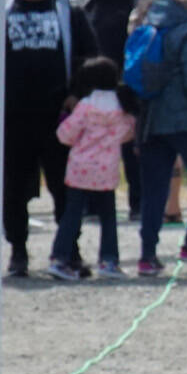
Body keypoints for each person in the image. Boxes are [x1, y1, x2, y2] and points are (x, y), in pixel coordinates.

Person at [4, 0, 98, 276]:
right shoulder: (1, 8)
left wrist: (77, 93)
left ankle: (67, 250)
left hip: (58, 115)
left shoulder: (68, 12)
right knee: (13, 187)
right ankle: (18, 251)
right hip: (13, 116)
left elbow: (90, 56)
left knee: (64, 185)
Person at [133, 0, 187, 275]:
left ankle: (146, 255)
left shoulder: (150, 24)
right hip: (185, 122)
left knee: (154, 190)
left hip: (152, 120)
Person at [50, 58, 138, 281]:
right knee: (108, 216)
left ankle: (59, 258)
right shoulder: (121, 107)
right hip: (106, 170)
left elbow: (65, 135)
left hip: (80, 169)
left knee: (72, 215)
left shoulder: (85, 105)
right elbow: (128, 132)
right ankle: (109, 260)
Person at [86, 0, 144, 213]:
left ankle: (137, 202)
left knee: (130, 146)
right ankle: (96, 203)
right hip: (97, 83)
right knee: (96, 143)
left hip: (125, 81)